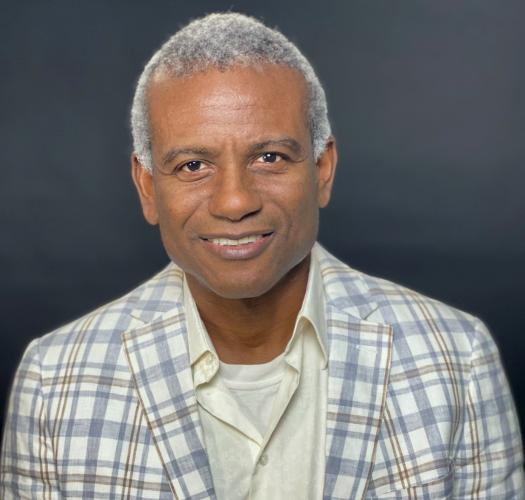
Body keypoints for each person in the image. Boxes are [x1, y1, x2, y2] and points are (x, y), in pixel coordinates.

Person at [1, 12, 523, 499]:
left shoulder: (457, 359)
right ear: (146, 186)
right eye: (191, 165)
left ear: (322, 169)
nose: (235, 201)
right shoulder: (55, 379)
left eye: (269, 157)